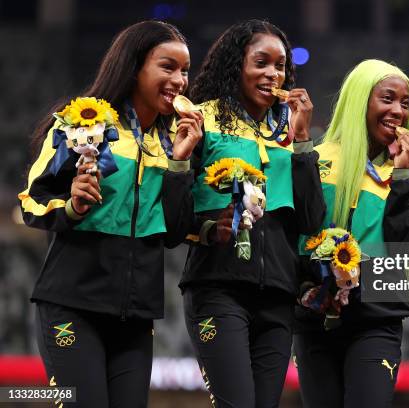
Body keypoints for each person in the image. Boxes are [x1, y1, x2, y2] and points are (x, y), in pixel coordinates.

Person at [18, 20, 202, 407]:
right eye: (167, 67)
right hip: (72, 307)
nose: (180, 80)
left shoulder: (174, 143)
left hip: (135, 318)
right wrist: (71, 204)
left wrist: (181, 164)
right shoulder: (83, 124)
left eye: (184, 70)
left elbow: (174, 233)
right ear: (134, 67)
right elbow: (31, 201)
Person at [180, 19, 325, 407]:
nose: (272, 74)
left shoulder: (290, 129)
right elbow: (174, 210)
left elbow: (312, 219)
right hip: (218, 287)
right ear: (236, 65)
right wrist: (208, 228)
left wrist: (304, 140)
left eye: (280, 66)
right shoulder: (202, 119)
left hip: (278, 294)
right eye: (261, 62)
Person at [293, 59, 409, 407]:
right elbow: (298, 231)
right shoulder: (315, 158)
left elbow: (404, 250)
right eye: (387, 99)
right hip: (315, 319)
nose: (398, 111)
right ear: (359, 100)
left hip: (377, 320)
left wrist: (401, 177)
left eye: (405, 103)